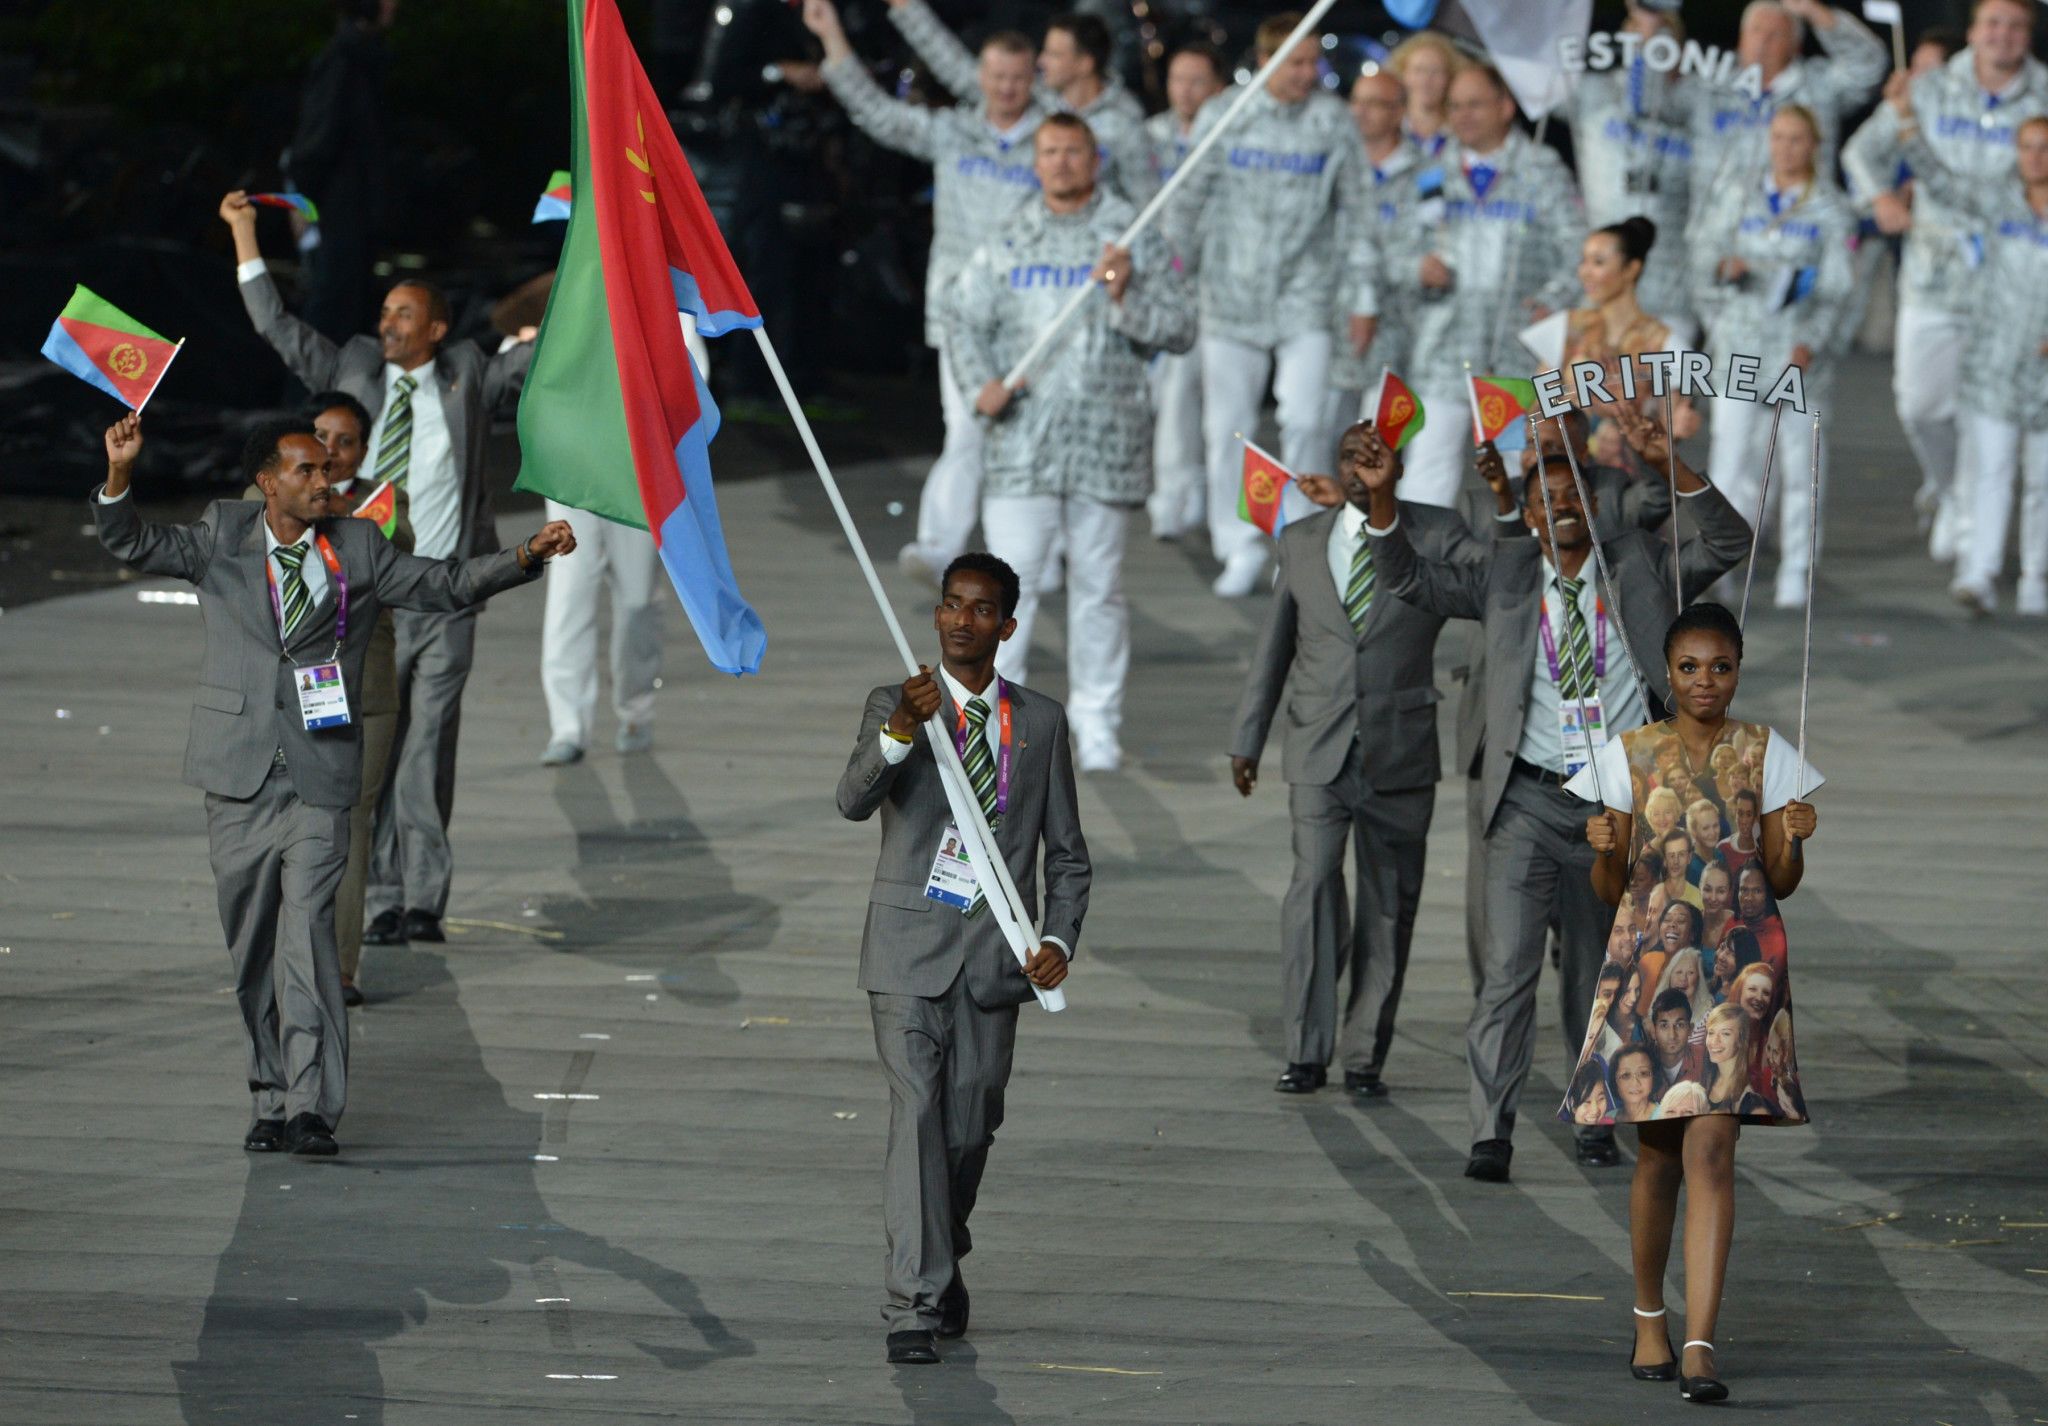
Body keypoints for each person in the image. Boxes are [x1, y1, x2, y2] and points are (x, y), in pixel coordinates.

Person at [93, 413, 572, 1158]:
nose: (326, 481)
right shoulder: (222, 531)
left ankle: (313, 1107)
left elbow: (442, 585)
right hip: (239, 776)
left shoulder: (358, 544)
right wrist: (121, 474)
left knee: (310, 936)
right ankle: (269, 1093)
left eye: (327, 469)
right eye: (308, 471)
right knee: (253, 949)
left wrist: (523, 556)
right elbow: (132, 541)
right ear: (267, 483)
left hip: (320, 774)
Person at [1361, 398, 1752, 1182]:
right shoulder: (1503, 573)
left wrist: (1669, 464)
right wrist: (1379, 500)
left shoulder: (1637, 564)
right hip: (1527, 803)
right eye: (1544, 501)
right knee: (1507, 971)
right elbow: (1405, 575)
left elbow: (1727, 538)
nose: (1561, 508)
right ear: (1530, 517)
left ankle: (1594, 1114)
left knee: (1595, 974)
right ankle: (1489, 1133)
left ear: (1591, 504)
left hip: (1614, 810)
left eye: (1572, 495)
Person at [220, 191, 537, 951]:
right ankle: (382, 892)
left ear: (434, 329)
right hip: (365, 608)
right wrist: (243, 235)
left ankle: (420, 900)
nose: (386, 323)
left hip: (449, 594)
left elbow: (546, 354)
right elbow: (276, 325)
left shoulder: (468, 375)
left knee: (428, 748)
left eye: (403, 314)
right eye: (384, 311)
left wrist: (591, 271)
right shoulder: (354, 366)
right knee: (371, 756)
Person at [835, 553, 1087, 1365]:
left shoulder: (1040, 722)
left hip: (995, 964)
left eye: (979, 611)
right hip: (907, 952)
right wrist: (902, 732)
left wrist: (1057, 940)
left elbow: (1069, 856)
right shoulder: (899, 702)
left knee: (970, 1125)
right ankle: (913, 1301)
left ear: (1005, 625)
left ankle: (943, 1254)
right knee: (914, 1119)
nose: (960, 620)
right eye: (949, 605)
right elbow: (852, 800)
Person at [1572, 600, 1820, 1403]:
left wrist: (1794, 838)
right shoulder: (1628, 754)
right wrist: (1603, 851)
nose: (1705, 681)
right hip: (1650, 956)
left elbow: (1777, 880)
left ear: (1738, 670)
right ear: (1666, 673)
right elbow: (1613, 891)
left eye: (1720, 666)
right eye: (1689, 667)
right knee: (1656, 1153)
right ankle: (1650, 1317)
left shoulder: (1765, 752)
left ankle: (1702, 1344)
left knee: (1713, 1147)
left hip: (1743, 958)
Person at [1229, 421, 1497, 1100]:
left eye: (1375, 456)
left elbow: (1493, 582)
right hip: (1316, 744)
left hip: (1399, 750)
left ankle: (1364, 1055)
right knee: (1313, 887)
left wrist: (1497, 498)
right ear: (1337, 467)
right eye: (1350, 455)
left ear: (1398, 467)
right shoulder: (1301, 539)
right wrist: (1247, 736)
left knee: (1387, 905)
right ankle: (1306, 1049)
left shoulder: (1435, 532)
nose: (1361, 465)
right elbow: (1275, 647)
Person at [945, 113, 1193, 773]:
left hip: (1105, 447)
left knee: (1099, 587)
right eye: (1049, 151)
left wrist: (1126, 293)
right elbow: (960, 315)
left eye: (1072, 151)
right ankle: (999, 725)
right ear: (1035, 161)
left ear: (1094, 157)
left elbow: (1181, 327)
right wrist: (980, 384)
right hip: (1021, 444)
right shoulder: (1008, 240)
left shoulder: (1133, 236)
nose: (1060, 162)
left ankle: (1097, 721)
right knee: (1005, 589)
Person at [801, 0, 1046, 585]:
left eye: (1017, 77)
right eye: (996, 77)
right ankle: (939, 545)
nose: (1007, 88)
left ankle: (1037, 554)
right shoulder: (955, 131)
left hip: (1037, 312)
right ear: (980, 78)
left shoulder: (1057, 137)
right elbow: (878, 115)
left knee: (1035, 436)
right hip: (963, 312)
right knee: (965, 427)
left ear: (1032, 77)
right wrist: (833, 37)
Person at [1167, 10, 1370, 596]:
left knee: (1305, 419)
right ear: (1266, 61)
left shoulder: (1334, 122)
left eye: (1315, 62)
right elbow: (1185, 202)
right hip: (1229, 298)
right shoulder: (1225, 113)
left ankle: (1299, 540)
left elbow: (1356, 213)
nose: (1309, 73)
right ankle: (1238, 544)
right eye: (1297, 62)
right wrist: (1176, 277)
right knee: (1228, 426)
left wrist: (1361, 296)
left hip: (1306, 296)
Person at [1841, 0, 2047, 569]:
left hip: (2013, 290)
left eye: (2015, 25)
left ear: (2028, 36)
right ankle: (1953, 489)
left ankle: (1973, 517)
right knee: (1922, 403)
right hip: (1934, 275)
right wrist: (1879, 196)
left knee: (1989, 412)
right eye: (1993, 24)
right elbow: (1861, 150)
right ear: (1974, 33)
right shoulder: (1929, 90)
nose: (2002, 35)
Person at [1885, 85, 2048, 615]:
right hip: (1993, 363)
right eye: (2027, 147)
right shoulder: (1997, 201)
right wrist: (1908, 125)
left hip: (2044, 370)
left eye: (2045, 147)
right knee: (1990, 467)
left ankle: (2034, 579)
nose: (2035, 158)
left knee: (2041, 480)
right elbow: (1940, 181)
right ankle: (1977, 572)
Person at [270, 391, 408, 1008]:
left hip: (365, 691)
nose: (329, 454)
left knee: (350, 820)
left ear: (361, 452)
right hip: (285, 692)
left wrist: (352, 517)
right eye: (319, 439)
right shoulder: (267, 499)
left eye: (344, 443)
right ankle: (287, 953)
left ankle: (341, 969)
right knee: (282, 821)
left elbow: (407, 557)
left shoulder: (380, 508)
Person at [1395, 63, 1585, 510]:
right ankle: (1420, 574)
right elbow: (1396, 248)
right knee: (1428, 466)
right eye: (1455, 106)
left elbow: (1578, 248)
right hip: (1444, 347)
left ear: (1505, 107)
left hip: (1515, 353)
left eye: (1474, 104)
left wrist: (1550, 303)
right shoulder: (1431, 172)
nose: (1462, 115)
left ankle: (1525, 573)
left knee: (1521, 472)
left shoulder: (1540, 166)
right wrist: (1415, 267)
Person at [1689, 104, 1856, 608]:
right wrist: (1723, 268)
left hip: (1795, 354)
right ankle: (1719, 566)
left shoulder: (1830, 206)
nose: (1786, 148)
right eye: (1779, 137)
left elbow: (1840, 289)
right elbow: (1701, 257)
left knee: (1800, 461)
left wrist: (1814, 341)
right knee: (1729, 457)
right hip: (1738, 350)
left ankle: (1798, 570)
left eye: (1797, 139)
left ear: (1814, 145)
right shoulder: (1738, 193)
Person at [885, 3, 1156, 207]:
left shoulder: (1125, 126)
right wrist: (907, 8)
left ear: (1084, 64)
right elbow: (956, 68)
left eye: (1054, 54)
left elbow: (1148, 204)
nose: (1042, 62)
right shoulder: (1035, 100)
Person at [1562, 2, 1697, 331]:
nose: (1647, 48)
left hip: (1670, 293)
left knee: (1663, 385)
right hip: (1600, 287)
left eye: (1658, 38)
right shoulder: (1595, 92)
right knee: (1595, 381)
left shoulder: (1697, 109)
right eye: (1637, 36)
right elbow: (1533, 83)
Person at [1687, 0, 1885, 218]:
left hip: (1799, 232)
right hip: (1715, 230)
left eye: (1775, 35)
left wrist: (1812, 10)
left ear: (1795, 46)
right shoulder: (1710, 85)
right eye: (1756, 31)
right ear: (1741, 38)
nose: (1762, 42)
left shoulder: (1819, 87)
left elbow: (1869, 65)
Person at [1144, 43, 1227, 543]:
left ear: (1217, 87)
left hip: (1217, 287)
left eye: (1197, 80)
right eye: (1178, 79)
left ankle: (1194, 494)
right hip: (1163, 285)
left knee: (1208, 398)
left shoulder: (1227, 131)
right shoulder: (1151, 136)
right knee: (1170, 394)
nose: (1186, 91)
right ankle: (1173, 494)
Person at [1327, 69, 1425, 463]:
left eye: (1374, 104)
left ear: (1399, 111)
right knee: (1322, 428)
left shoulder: (1425, 170)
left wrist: (1390, 274)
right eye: (1357, 101)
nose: (1361, 113)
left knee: (1380, 433)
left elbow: (1429, 249)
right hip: (1329, 314)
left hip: (1397, 323)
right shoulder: (1334, 162)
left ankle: (1381, 512)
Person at [287, 0, 394, 341]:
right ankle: (306, 394)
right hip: (338, 211)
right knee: (331, 312)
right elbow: (318, 140)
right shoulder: (344, 60)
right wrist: (302, 200)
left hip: (353, 210)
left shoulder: (362, 57)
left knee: (345, 311)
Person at [1560, 219, 1700, 469]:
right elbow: (1536, 409)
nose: (1585, 271)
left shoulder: (1666, 343)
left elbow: (1669, 436)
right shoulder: (1566, 328)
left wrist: (1677, 428)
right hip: (1564, 483)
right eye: (1584, 261)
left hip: (1632, 484)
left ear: (1631, 269)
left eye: (1599, 262)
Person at [1387, 31, 1461, 160]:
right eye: (1418, 70)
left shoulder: (1464, 130)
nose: (1426, 80)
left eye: (1436, 71)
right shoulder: (1387, 130)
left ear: (1450, 77)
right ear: (1402, 75)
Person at [1734, 860, 1789, 977]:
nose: (1749, 898)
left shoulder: (1776, 940)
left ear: (1768, 894)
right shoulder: (1731, 923)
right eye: (1744, 890)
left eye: (1757, 891)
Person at [1647, 984, 1706, 1085]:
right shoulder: (1643, 1060)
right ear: (1653, 1030)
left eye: (1679, 1025)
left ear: (1690, 1029)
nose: (1672, 1035)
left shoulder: (1705, 1059)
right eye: (1664, 1026)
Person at [1610, 1041, 1664, 1123]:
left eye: (1643, 1073)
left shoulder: (1666, 1115)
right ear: (1615, 1081)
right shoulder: (1607, 1118)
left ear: (1654, 1077)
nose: (1635, 1083)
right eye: (1626, 1075)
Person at [1716, 787, 1761, 878]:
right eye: (1740, 814)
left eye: (1749, 815)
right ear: (1734, 813)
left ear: (1756, 816)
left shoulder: (1763, 852)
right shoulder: (1722, 848)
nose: (1744, 821)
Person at [1698, 860, 1736, 947]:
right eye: (1707, 889)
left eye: (1720, 891)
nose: (1713, 898)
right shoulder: (1691, 923)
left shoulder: (1738, 925)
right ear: (1700, 887)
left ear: (1729, 892)